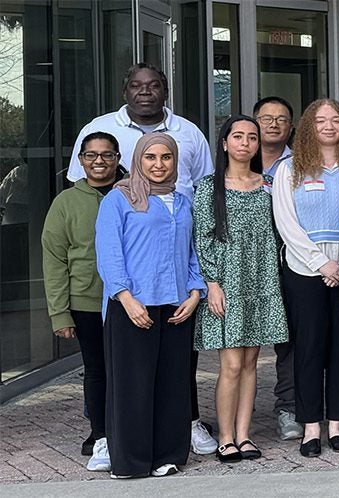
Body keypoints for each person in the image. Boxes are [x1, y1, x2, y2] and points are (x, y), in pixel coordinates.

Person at [97, 132, 205, 478]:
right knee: (131, 386)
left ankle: (166, 455)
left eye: (166, 158)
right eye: (150, 158)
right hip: (132, 304)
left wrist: (194, 292)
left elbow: (191, 254)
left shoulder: (183, 200)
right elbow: (110, 254)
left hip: (176, 305)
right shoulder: (118, 199)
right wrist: (126, 298)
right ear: (137, 161)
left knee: (173, 384)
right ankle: (130, 462)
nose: (158, 165)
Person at [194, 116, 290, 463]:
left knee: (252, 362)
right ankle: (225, 437)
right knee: (231, 364)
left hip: (262, 278)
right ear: (224, 143)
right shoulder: (209, 186)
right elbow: (202, 237)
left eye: (252, 137)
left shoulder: (269, 183)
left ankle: (245, 434)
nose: (245, 143)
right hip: (227, 282)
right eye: (238, 136)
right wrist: (212, 283)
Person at [274, 99, 339, 458]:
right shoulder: (289, 169)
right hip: (304, 268)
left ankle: (337, 425)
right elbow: (286, 223)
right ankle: (310, 427)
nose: (328, 126)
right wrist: (320, 263)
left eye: (335, 120)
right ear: (308, 126)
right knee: (309, 350)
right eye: (320, 120)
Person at [44, 132, 120, 469]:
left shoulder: (135, 192)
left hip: (132, 300)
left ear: (118, 158)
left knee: (132, 369)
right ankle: (100, 432)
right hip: (87, 301)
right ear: (81, 160)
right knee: (97, 369)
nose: (99, 161)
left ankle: (131, 428)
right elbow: (54, 259)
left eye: (106, 154)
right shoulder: (66, 203)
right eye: (91, 155)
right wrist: (60, 313)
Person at [67, 63, 214, 214]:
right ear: (125, 93)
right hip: (114, 226)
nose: (145, 92)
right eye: (135, 86)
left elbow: (204, 187)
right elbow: (78, 185)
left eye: (154, 86)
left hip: (176, 226)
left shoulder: (189, 131)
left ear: (166, 93)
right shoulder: (97, 129)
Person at [256, 97, 296, 179]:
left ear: (291, 128)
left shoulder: (301, 162)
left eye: (281, 120)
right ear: (254, 125)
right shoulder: (242, 159)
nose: (274, 125)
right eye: (267, 119)